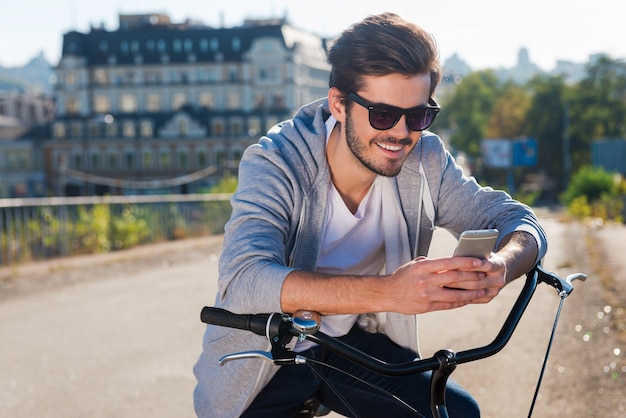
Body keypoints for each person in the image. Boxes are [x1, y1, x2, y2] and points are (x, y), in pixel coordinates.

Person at [194, 12, 547, 418]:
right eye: (382, 115)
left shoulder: (425, 159)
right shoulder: (276, 161)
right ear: (339, 105)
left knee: (454, 413)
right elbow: (244, 279)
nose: (400, 133)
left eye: (417, 116)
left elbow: (519, 221)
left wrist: (502, 266)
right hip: (264, 355)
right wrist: (390, 292)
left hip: (348, 347)